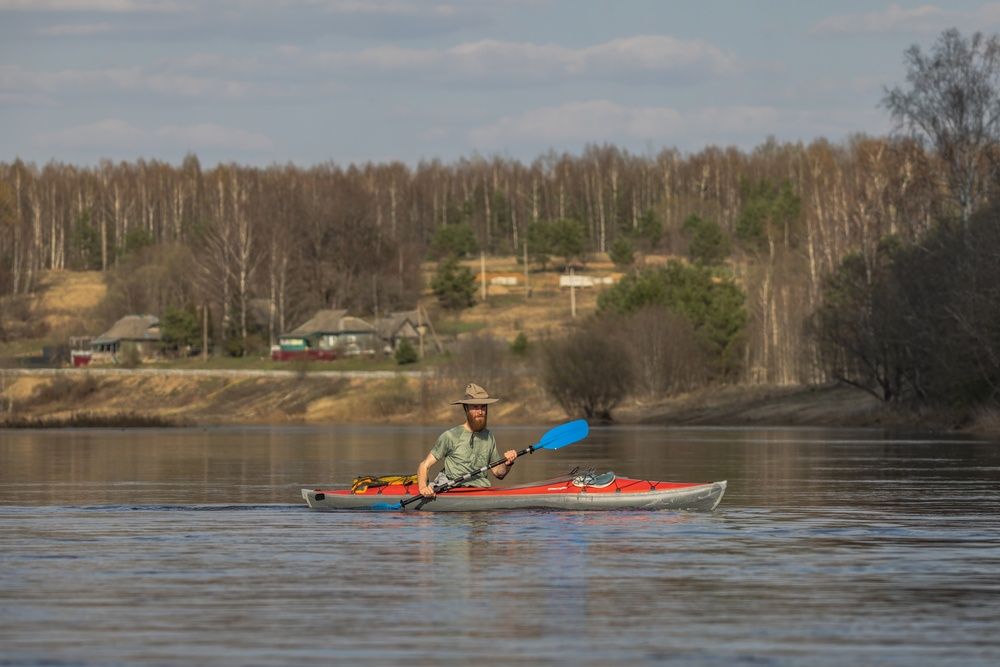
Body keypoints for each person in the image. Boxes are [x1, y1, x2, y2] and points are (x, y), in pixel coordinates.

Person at [417, 382, 518, 498]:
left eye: (483, 407)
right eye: (475, 407)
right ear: (466, 408)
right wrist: (423, 487)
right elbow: (424, 465)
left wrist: (508, 463)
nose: (480, 412)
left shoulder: (488, 436)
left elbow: (498, 473)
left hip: (481, 491)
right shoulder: (450, 436)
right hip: (451, 490)